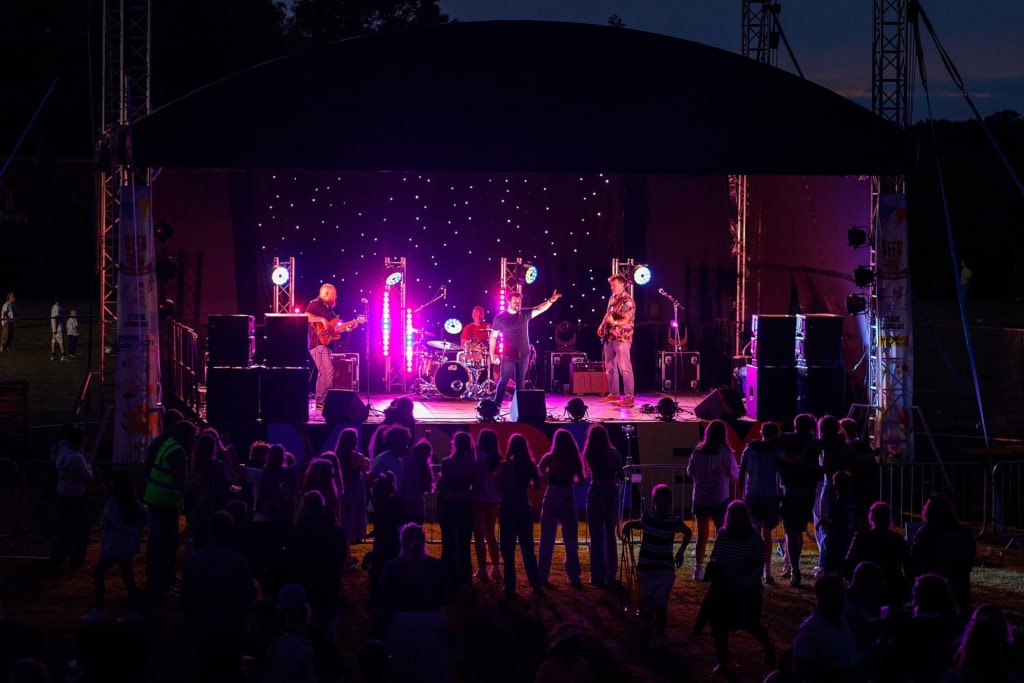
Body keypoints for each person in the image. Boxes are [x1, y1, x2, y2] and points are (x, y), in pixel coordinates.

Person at [373, 523, 454, 683]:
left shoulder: (391, 567)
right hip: (432, 622)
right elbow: (448, 596)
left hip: (400, 623)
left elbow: (382, 601)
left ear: (401, 542)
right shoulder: (436, 566)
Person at [705, 500, 775, 673]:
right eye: (732, 514)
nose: (735, 518)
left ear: (746, 517)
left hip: (748, 592)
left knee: (751, 624)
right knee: (720, 626)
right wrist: (714, 569)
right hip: (725, 590)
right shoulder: (722, 534)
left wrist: (743, 585)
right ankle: (722, 662)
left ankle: (768, 646)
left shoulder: (754, 539)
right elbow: (715, 555)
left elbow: (758, 565)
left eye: (739, 515)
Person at [621, 484, 691, 650]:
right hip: (646, 568)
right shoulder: (648, 516)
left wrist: (681, 551)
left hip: (664, 569)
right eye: (658, 501)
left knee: (660, 605)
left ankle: (660, 639)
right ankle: (649, 623)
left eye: (664, 502)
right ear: (654, 502)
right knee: (645, 606)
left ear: (668, 503)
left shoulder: (674, 521)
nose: (661, 505)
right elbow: (641, 524)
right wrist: (629, 524)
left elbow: (687, 532)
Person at [81, 468, 149, 623]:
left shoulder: (112, 504)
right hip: (127, 545)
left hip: (114, 546)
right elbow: (146, 516)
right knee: (128, 577)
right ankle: (135, 611)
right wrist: (137, 529)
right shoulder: (133, 503)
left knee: (99, 573)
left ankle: (100, 610)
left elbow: (104, 523)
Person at [489, 289, 562, 407]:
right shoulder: (500, 318)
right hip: (508, 355)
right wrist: (492, 354)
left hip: (524, 355)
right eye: (515, 302)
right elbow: (493, 336)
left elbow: (538, 308)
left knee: (520, 383)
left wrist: (550, 301)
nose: (517, 304)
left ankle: (519, 407)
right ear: (508, 302)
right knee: (503, 381)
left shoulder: (523, 314)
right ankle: (496, 405)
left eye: (519, 302)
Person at [686, 419, 738, 581]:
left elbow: (690, 471)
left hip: (701, 497)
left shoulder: (698, 451)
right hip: (720, 497)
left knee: (702, 534)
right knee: (720, 533)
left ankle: (698, 569)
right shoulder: (726, 453)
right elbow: (735, 475)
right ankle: (716, 564)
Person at [537, 429, 586, 588]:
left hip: (551, 493)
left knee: (547, 537)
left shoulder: (549, 457)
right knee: (570, 537)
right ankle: (574, 575)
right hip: (567, 494)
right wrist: (570, 478)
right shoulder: (573, 459)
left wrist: (547, 477)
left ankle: (542, 575)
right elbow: (580, 482)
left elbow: (539, 473)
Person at [496, 433, 542, 599]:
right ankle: (535, 583)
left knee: (508, 548)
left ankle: (510, 585)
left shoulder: (504, 466)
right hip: (523, 504)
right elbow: (537, 485)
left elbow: (499, 486)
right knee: (527, 547)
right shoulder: (529, 465)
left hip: (508, 505)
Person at [739, 421, 783, 585]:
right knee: (767, 534)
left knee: (755, 533)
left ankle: (755, 569)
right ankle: (767, 571)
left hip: (753, 495)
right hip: (770, 495)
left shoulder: (749, 449)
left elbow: (742, 471)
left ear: (761, 432)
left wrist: (742, 493)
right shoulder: (776, 451)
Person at [845, 500, 910, 608]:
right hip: (892, 590)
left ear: (872, 518)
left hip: (866, 590)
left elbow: (848, 565)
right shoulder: (898, 540)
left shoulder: (861, 538)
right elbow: (908, 567)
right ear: (889, 519)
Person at [48, 425, 93, 574]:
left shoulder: (64, 451)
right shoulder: (77, 458)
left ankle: (58, 557)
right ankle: (76, 559)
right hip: (75, 495)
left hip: (64, 492)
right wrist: (90, 466)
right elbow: (87, 476)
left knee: (65, 528)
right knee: (82, 527)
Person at [583, 423, 623, 587]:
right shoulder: (613, 453)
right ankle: (611, 573)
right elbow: (620, 473)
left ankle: (597, 575)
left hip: (596, 491)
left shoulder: (590, 453)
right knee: (610, 534)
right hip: (610, 491)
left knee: (596, 535)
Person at [437, 431, 476, 588]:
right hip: (465, 504)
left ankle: (446, 576)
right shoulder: (472, 464)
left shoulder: (446, 463)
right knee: (464, 543)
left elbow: (444, 487)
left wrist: (440, 507)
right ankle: (465, 579)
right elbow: (475, 486)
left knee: (448, 543)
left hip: (450, 503)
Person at [597, 273, 637, 407]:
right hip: (610, 337)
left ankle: (629, 396)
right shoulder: (612, 298)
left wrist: (614, 322)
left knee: (624, 367)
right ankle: (614, 394)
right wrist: (602, 325)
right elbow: (607, 313)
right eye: (611, 285)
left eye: (613, 285)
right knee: (609, 367)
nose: (611, 287)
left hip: (622, 338)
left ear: (622, 285)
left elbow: (627, 319)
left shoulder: (628, 301)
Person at [470, 428, 502, 581]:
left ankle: (482, 568)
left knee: (479, 536)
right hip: (493, 501)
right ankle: (496, 567)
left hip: (478, 500)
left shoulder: (476, 458)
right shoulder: (497, 460)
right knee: (491, 536)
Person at [306, 283, 339, 410]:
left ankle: (321, 401)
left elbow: (333, 329)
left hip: (326, 344)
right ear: (327, 293)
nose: (336, 296)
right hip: (318, 344)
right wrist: (322, 319)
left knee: (324, 372)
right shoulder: (315, 304)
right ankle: (321, 400)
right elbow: (306, 316)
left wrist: (348, 326)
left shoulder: (328, 309)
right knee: (327, 371)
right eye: (334, 294)